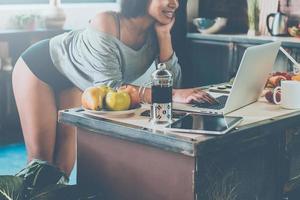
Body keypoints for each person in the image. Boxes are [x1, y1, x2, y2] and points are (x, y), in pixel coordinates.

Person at [12, 0, 216, 195]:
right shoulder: (107, 21)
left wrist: (164, 35)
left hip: (75, 81)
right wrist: (172, 95)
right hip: (40, 67)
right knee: (40, 164)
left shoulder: (155, 32)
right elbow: (110, 88)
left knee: (63, 168)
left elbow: (173, 81)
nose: (175, 3)